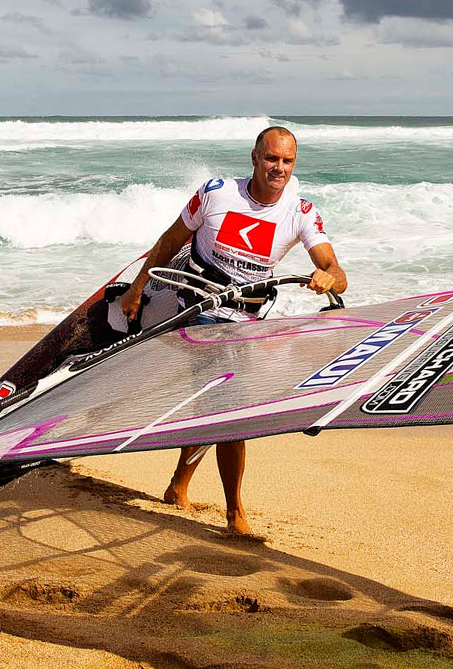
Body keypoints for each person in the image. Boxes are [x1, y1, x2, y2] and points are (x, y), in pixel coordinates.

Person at [120, 126, 347, 535]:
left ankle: (178, 486)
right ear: (255, 157)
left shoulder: (300, 211)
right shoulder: (217, 193)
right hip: (198, 306)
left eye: (287, 161)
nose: (278, 167)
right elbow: (171, 240)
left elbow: (336, 271)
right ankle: (234, 513)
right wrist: (137, 290)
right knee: (230, 407)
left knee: (213, 406)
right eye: (271, 158)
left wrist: (327, 277)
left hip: (246, 322)